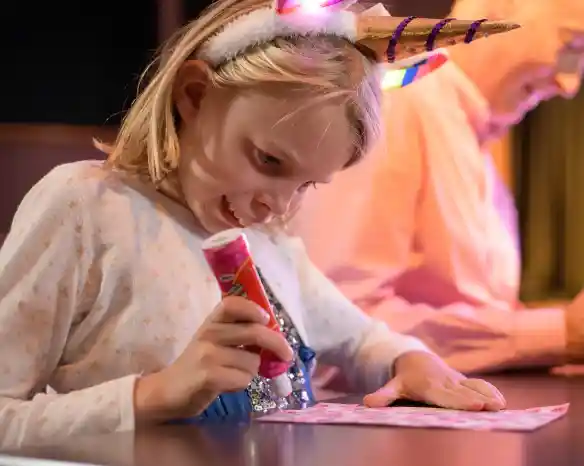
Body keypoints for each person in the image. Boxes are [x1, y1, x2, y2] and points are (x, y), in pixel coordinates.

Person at [0, 0, 515, 449]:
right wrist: (153, 394)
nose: (280, 207)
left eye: (307, 185)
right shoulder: (86, 207)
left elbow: (363, 342)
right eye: (269, 161)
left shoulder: (271, 246)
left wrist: (411, 360)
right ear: (195, 95)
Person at [291, 0, 584, 379]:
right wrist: (559, 333)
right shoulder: (400, 99)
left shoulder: (467, 127)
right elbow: (339, 324)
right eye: (572, 45)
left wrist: (550, 342)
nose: (570, 83)